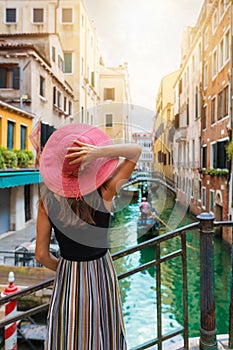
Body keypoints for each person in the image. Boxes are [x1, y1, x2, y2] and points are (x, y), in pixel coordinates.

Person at [35, 123, 141, 350]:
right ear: (90, 166)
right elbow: (135, 151)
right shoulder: (105, 192)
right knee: (105, 333)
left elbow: (41, 254)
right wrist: (98, 152)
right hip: (101, 273)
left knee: (68, 336)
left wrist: (66, 268)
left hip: (68, 278)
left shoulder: (47, 201)